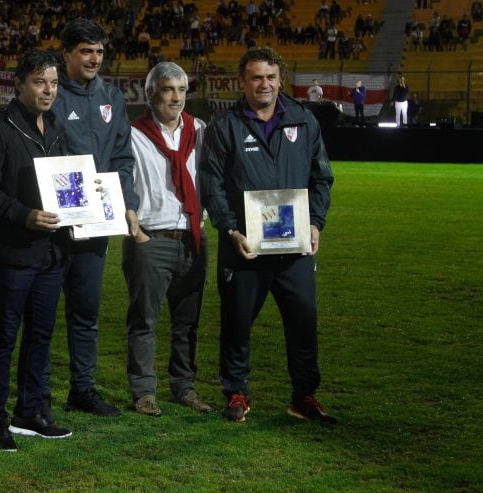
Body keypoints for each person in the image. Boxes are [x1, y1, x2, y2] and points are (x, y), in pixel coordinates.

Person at [199, 47, 337, 425]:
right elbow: (211, 187)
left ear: (281, 79)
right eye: (256, 77)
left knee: (304, 321)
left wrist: (315, 223)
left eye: (270, 77)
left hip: (295, 248)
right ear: (242, 81)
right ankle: (237, 392)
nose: (264, 84)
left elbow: (321, 178)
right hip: (244, 248)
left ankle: (304, 396)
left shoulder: (303, 120)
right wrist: (230, 229)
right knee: (237, 322)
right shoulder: (224, 126)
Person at [0, 49, 73, 452]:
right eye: (39, 82)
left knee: (41, 335)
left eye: (52, 82)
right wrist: (24, 215)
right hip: (12, 252)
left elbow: (69, 182)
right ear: (19, 84)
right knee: (4, 336)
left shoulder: (57, 129)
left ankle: (30, 412)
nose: (48, 89)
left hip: (51, 253)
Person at [48, 17, 139, 418]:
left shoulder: (112, 98)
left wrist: (128, 205)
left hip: (95, 224)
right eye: (86, 51)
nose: (94, 59)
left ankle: (82, 390)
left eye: (100, 52)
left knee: (86, 312)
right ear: (66, 54)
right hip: (51, 224)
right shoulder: (48, 92)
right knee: (40, 314)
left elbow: (122, 157)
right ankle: (33, 395)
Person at [124, 61, 211, 417]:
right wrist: (137, 230)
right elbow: (119, 181)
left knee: (187, 321)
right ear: (150, 94)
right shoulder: (132, 134)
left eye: (181, 90)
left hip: (193, 237)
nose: (175, 98)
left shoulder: (200, 130)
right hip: (150, 239)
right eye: (167, 89)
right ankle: (144, 391)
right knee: (144, 319)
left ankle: (184, 386)